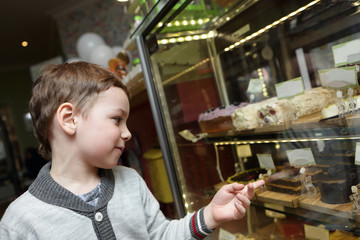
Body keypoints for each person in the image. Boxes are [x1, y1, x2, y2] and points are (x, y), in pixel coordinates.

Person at [0, 62, 264, 239]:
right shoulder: (20, 222)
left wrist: (210, 215)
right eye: (117, 119)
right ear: (70, 119)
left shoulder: (130, 181)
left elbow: (160, 235)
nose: (127, 132)